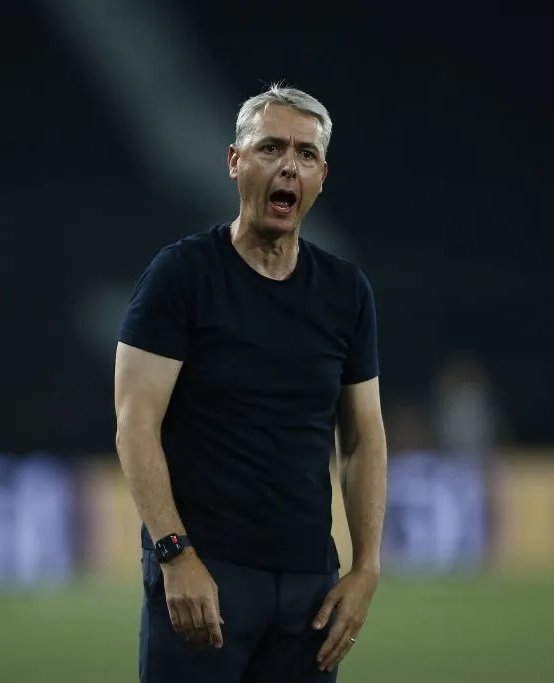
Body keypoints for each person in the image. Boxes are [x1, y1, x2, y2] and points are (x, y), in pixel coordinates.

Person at [114, 84, 388, 682]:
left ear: (320, 176)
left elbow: (364, 438)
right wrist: (173, 555)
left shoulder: (346, 293)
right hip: (204, 578)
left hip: (309, 592)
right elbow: (135, 424)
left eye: (306, 154)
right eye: (270, 147)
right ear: (235, 161)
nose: (288, 164)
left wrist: (365, 568)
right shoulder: (181, 276)